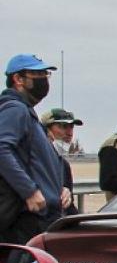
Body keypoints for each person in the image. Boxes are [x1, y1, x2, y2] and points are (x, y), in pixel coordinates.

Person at [0, 54, 66, 243]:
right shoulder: (15, 109)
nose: (44, 79)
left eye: (45, 74)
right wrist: (29, 191)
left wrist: (61, 188)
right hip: (28, 216)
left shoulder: (26, 112)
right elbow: (2, 148)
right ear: (18, 79)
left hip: (40, 213)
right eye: (38, 74)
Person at [40, 107, 83, 217]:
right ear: (46, 129)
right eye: (63, 126)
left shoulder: (64, 165)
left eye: (71, 127)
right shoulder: (34, 161)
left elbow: (69, 207)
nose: (70, 133)